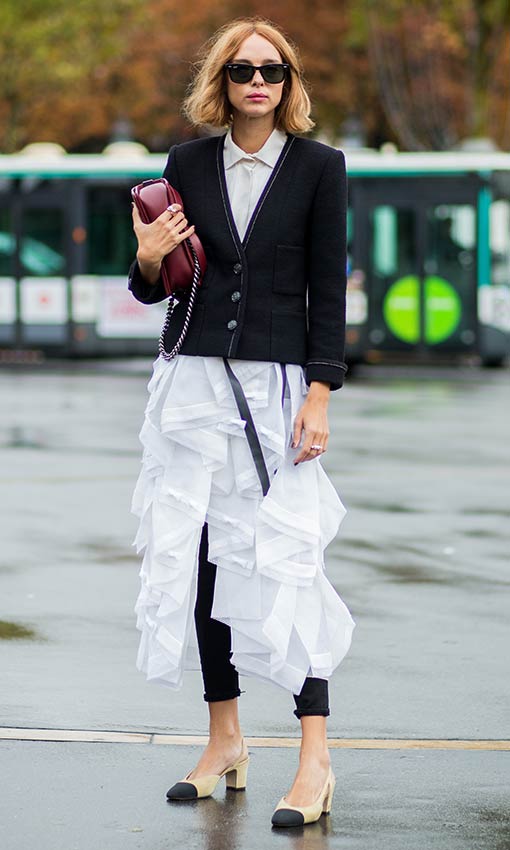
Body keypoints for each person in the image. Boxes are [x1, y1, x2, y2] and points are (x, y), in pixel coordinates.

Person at [128, 16, 355, 828]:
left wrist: (320, 394)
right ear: (220, 81)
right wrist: (147, 255)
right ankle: (224, 739)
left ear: (289, 81)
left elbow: (327, 287)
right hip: (192, 383)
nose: (258, 82)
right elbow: (156, 283)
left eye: (273, 69)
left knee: (290, 559)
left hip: (277, 388)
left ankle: (314, 757)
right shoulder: (187, 163)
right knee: (202, 561)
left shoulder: (320, 167)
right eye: (242, 69)